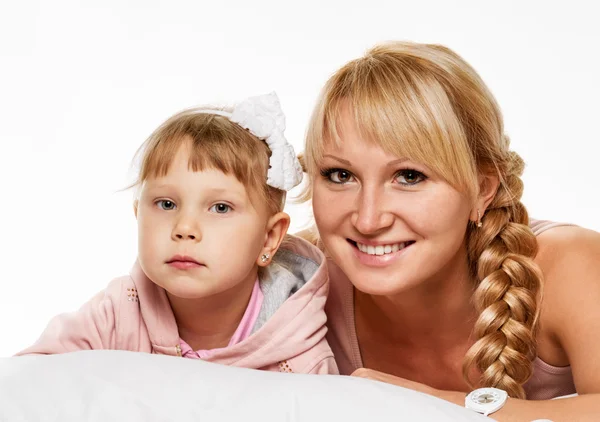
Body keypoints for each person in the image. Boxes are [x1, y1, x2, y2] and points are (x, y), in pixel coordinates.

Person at [299, 41, 600, 419]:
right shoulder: (297, 286)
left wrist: (435, 403)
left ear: (482, 189)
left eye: (409, 177)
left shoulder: (569, 266)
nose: (368, 220)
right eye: (340, 175)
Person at [18, 92, 338, 375]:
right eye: (167, 203)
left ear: (268, 239)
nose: (185, 228)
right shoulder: (117, 315)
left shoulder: (298, 356)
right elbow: (31, 380)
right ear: (138, 215)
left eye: (220, 208)